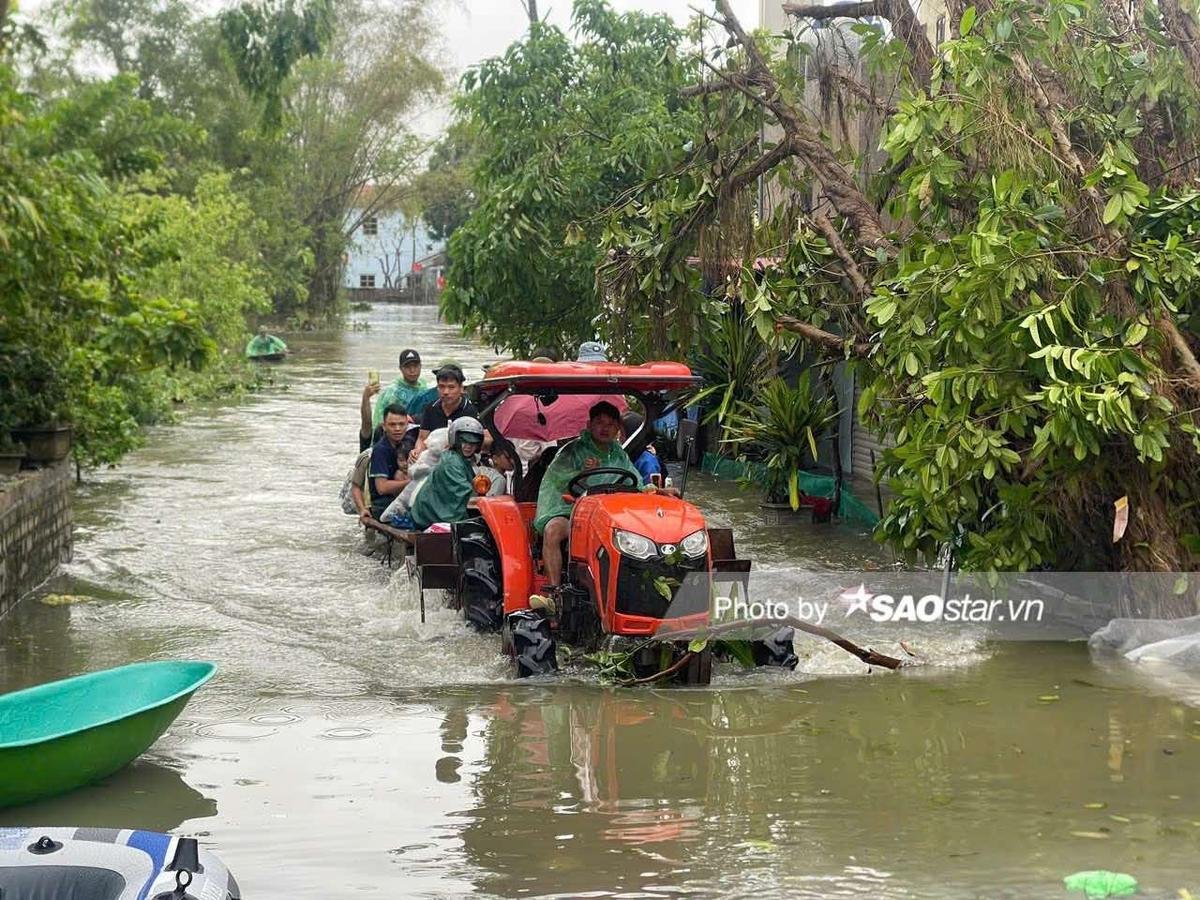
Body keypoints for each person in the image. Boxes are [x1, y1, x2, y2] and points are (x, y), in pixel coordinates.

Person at [534, 401, 645, 588]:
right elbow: (556, 479)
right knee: (552, 531)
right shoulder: (572, 451)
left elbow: (635, 482)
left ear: (618, 428)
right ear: (589, 425)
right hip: (570, 511)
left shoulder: (619, 455)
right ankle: (554, 591)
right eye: (600, 422)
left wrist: (652, 490)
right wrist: (580, 472)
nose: (605, 428)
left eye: (610, 424)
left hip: (609, 516)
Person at [410, 417, 487, 530]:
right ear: (455, 440)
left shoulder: (462, 460)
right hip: (431, 515)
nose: (468, 447)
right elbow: (463, 491)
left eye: (473, 443)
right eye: (464, 441)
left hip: (438, 511)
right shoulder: (451, 461)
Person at [410, 363, 481, 461]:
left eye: (451, 387)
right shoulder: (431, 408)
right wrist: (417, 451)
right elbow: (422, 438)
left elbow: (482, 440)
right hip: (434, 457)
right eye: (441, 387)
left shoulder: (470, 411)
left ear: (461, 389)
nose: (446, 392)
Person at [368, 404, 412, 519]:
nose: (397, 429)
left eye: (401, 424)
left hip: (401, 498)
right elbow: (382, 488)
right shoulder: (380, 450)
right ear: (384, 426)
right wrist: (411, 483)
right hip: (383, 504)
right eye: (392, 425)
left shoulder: (409, 443)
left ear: (407, 425)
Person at [372, 349, 428, 432]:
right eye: (408, 367)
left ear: (420, 366)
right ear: (401, 368)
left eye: (415, 366)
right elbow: (382, 421)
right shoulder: (393, 392)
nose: (412, 370)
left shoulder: (423, 385)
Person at [621, 412, 664, 485]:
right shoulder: (624, 455)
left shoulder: (648, 462)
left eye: (622, 434)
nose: (620, 438)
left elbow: (652, 490)